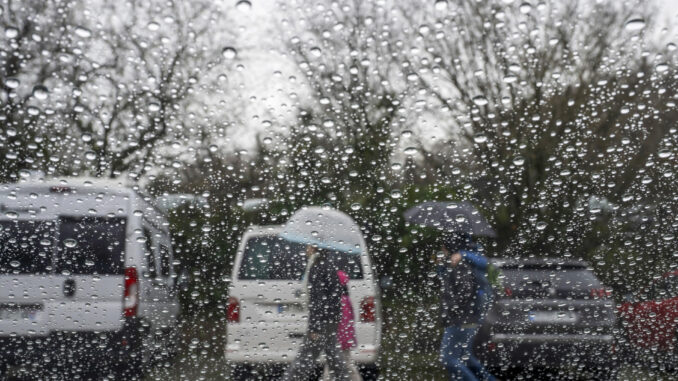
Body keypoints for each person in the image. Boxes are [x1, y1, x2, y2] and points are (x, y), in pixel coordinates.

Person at [282, 245, 350, 381]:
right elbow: (334, 297)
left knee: (304, 359)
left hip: (321, 322)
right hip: (331, 320)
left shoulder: (317, 268)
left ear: (314, 248)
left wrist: (314, 327)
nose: (306, 250)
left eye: (308, 246)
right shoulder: (330, 265)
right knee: (334, 357)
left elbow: (318, 300)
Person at [437, 234, 495, 381]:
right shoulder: (457, 262)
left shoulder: (462, 263)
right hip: (470, 316)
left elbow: (464, 291)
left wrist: (451, 312)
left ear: (450, 247)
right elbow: (447, 281)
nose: (441, 248)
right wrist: (441, 265)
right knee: (466, 357)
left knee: (448, 359)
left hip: (461, 318)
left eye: (443, 245)